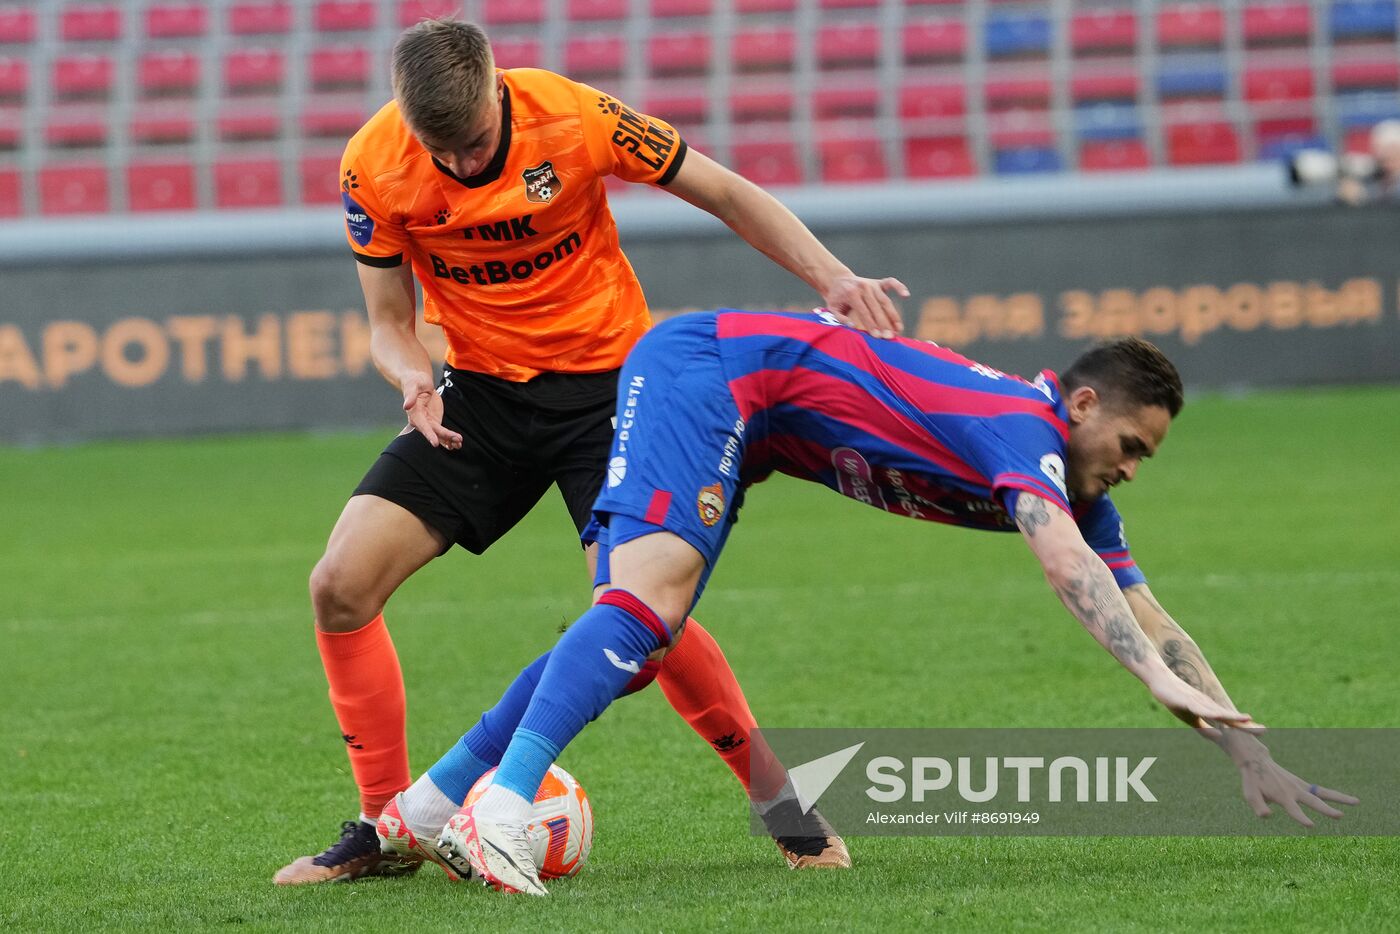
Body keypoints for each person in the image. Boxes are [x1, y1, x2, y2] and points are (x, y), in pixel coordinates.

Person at [274, 19, 907, 885]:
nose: (457, 166)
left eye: (471, 145)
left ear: (499, 92)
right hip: (478, 397)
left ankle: (783, 807)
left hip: (613, 391)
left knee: (643, 616)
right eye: (439, 149)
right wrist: (410, 377)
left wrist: (831, 276)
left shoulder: (573, 116)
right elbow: (387, 322)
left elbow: (721, 189)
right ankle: (387, 826)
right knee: (338, 585)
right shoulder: (372, 163)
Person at [431, 309, 1357, 896]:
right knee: (642, 614)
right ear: (1080, 404)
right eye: (1131, 444)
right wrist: (1154, 679)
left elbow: (1149, 610)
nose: (1130, 468)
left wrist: (1246, 748)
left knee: (634, 640)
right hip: (708, 370)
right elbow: (1065, 566)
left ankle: (435, 801)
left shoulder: (1080, 492)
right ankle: (503, 807)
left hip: (748, 417)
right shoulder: (1020, 430)